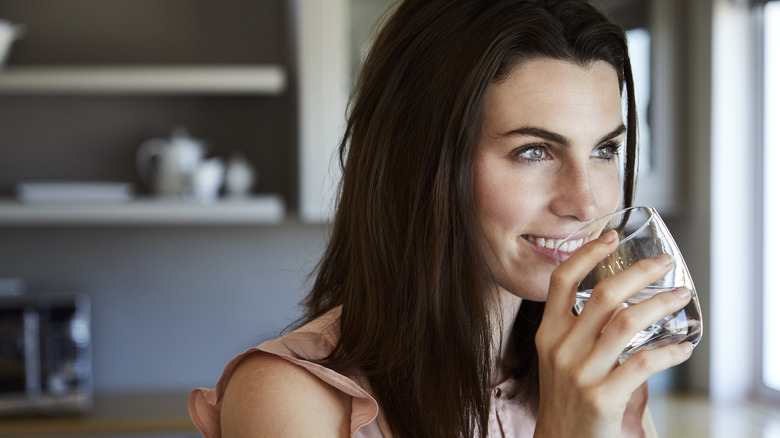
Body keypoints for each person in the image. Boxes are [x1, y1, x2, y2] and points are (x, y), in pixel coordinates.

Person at [189, 0, 694, 436]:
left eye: (605, 149)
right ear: (418, 162)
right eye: (534, 151)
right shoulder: (287, 398)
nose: (586, 203)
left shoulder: (604, 377)